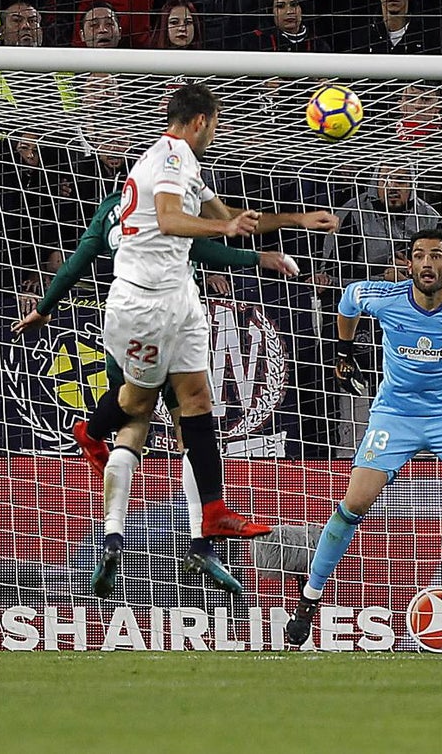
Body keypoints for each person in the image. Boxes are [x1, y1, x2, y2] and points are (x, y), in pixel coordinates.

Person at [81, 83, 297, 597]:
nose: (217, 133)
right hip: (143, 306)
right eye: (216, 124)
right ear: (200, 121)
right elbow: (177, 222)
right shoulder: (172, 155)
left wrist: (291, 221)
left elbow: (226, 221)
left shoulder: (182, 166)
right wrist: (230, 235)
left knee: (195, 404)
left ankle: (209, 525)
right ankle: (90, 432)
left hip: (175, 300)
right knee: (137, 406)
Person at [284, 229, 442, 646]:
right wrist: (344, 352)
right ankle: (310, 598)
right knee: (354, 502)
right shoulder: (385, 297)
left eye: (436, 256)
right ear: (409, 265)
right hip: (395, 416)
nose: (427, 263)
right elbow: (348, 298)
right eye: (419, 256)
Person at [243, 0, 330, 52]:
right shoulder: (254, 42)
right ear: (269, 11)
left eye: (294, 5)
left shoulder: (318, 45)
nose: (289, 11)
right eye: (280, 6)